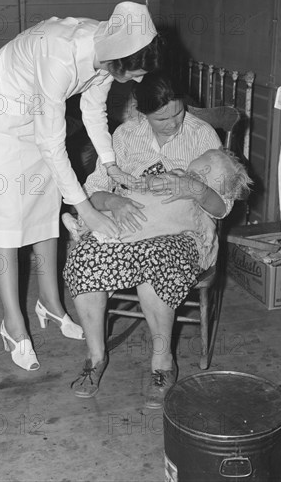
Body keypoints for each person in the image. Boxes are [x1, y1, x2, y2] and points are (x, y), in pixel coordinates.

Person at [0, 2, 164, 371]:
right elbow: (52, 143)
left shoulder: (110, 51)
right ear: (118, 60)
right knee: (8, 222)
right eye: (135, 72)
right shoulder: (61, 55)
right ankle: (13, 323)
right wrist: (86, 208)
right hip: (1, 115)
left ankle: (51, 303)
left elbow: (92, 110)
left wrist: (111, 164)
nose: (138, 81)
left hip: (40, 116)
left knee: (44, 210)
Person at [63, 73, 252, 407]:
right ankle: (95, 357)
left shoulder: (201, 133)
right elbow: (94, 190)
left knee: (156, 264)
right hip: (126, 215)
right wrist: (114, 201)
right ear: (142, 111)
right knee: (85, 257)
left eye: (178, 114)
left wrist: (195, 189)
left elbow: (223, 204)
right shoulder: (124, 134)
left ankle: (162, 362)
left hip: (179, 232)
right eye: (162, 118)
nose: (173, 123)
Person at [62, 148, 251, 244]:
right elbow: (153, 181)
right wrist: (151, 181)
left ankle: (84, 228)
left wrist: (209, 228)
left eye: (203, 178)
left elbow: (208, 213)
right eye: (197, 169)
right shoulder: (177, 174)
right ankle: (81, 224)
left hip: (151, 225)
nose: (194, 177)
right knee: (122, 217)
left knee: (130, 225)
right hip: (134, 202)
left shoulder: (201, 198)